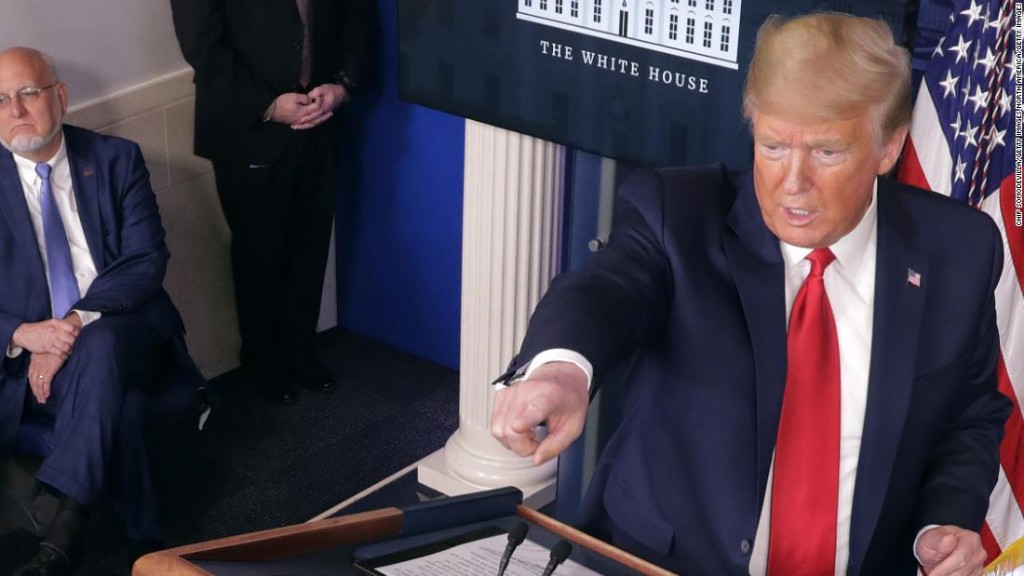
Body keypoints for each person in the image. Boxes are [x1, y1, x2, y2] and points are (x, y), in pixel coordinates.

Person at [490, 13, 1010, 576]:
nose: (793, 182)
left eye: (827, 152)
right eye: (773, 146)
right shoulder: (677, 216)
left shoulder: (960, 249)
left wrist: (945, 521)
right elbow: (603, 292)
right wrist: (560, 372)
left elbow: (971, 414)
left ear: (889, 147)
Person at [0, 47, 204, 575]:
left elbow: (145, 260)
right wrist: (24, 334)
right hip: (31, 359)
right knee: (124, 406)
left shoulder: (115, 159)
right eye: (0, 100)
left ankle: (62, 529)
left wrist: (72, 325)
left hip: (125, 332)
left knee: (104, 343)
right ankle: (145, 539)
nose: (15, 110)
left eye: (28, 93)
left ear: (61, 96)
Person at [170, 0, 370, 404]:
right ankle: (262, 361)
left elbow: (355, 11)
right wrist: (267, 105)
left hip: (320, 117)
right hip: (248, 126)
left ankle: (300, 350)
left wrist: (342, 86)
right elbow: (202, 45)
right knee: (258, 253)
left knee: (311, 244)